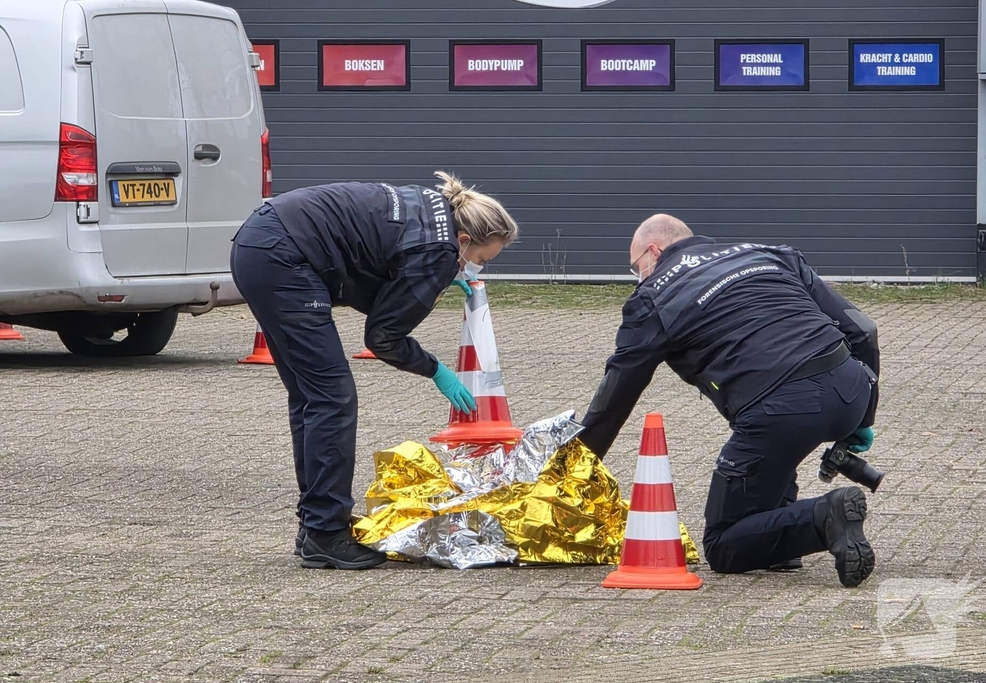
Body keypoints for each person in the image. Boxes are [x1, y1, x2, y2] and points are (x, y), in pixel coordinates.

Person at [230, 172, 520, 571]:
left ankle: (317, 525)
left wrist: (425, 284)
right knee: (332, 397)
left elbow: (373, 261)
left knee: (312, 396)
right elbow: (384, 336)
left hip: (260, 240)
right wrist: (435, 369)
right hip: (284, 257)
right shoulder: (439, 250)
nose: (475, 268)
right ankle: (325, 534)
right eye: (481, 260)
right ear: (465, 240)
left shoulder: (433, 209)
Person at [578, 214, 880, 588]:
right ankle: (780, 542)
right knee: (772, 450)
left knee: (723, 544)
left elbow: (617, 394)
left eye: (635, 266)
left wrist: (579, 462)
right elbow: (863, 330)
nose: (637, 276)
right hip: (848, 388)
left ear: (653, 252)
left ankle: (825, 515)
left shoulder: (653, 296)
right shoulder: (770, 254)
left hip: (781, 409)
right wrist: (864, 418)